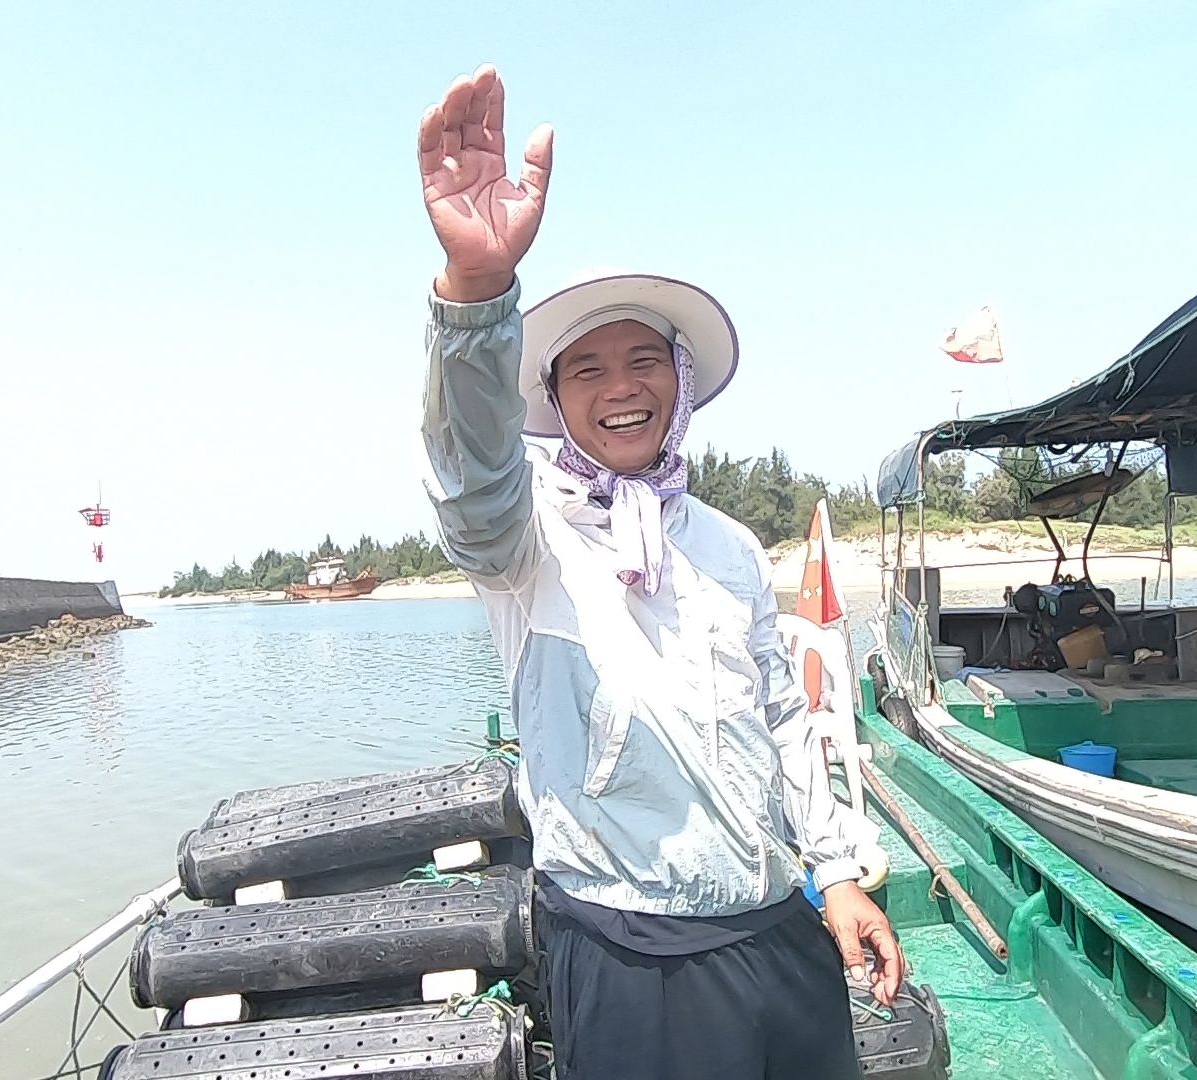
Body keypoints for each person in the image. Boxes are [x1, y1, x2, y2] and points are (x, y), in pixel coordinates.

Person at [417, 64, 904, 1079]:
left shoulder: (726, 545)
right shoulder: (530, 541)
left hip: (776, 924)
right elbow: (472, 480)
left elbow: (784, 719)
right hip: (628, 947)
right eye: (585, 370)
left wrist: (841, 873)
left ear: (680, 386)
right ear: (554, 400)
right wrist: (474, 296)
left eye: (643, 361)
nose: (619, 388)